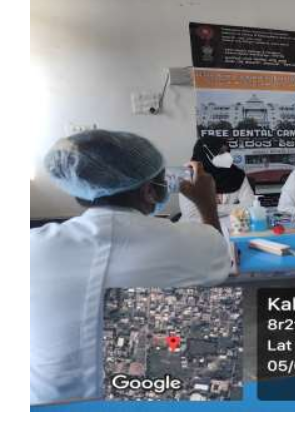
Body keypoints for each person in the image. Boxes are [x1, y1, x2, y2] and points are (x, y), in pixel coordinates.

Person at [31, 130, 230, 405]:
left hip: (45, 407)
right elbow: (217, 253)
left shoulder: (31, 246)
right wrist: (207, 204)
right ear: (149, 191)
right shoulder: (188, 241)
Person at [179, 136, 256, 223]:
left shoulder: (237, 175)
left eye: (227, 151)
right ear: (204, 154)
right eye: (221, 152)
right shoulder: (188, 176)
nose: (227, 156)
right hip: (195, 228)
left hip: (230, 226)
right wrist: (234, 209)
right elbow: (191, 213)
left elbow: (251, 205)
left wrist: (208, 208)